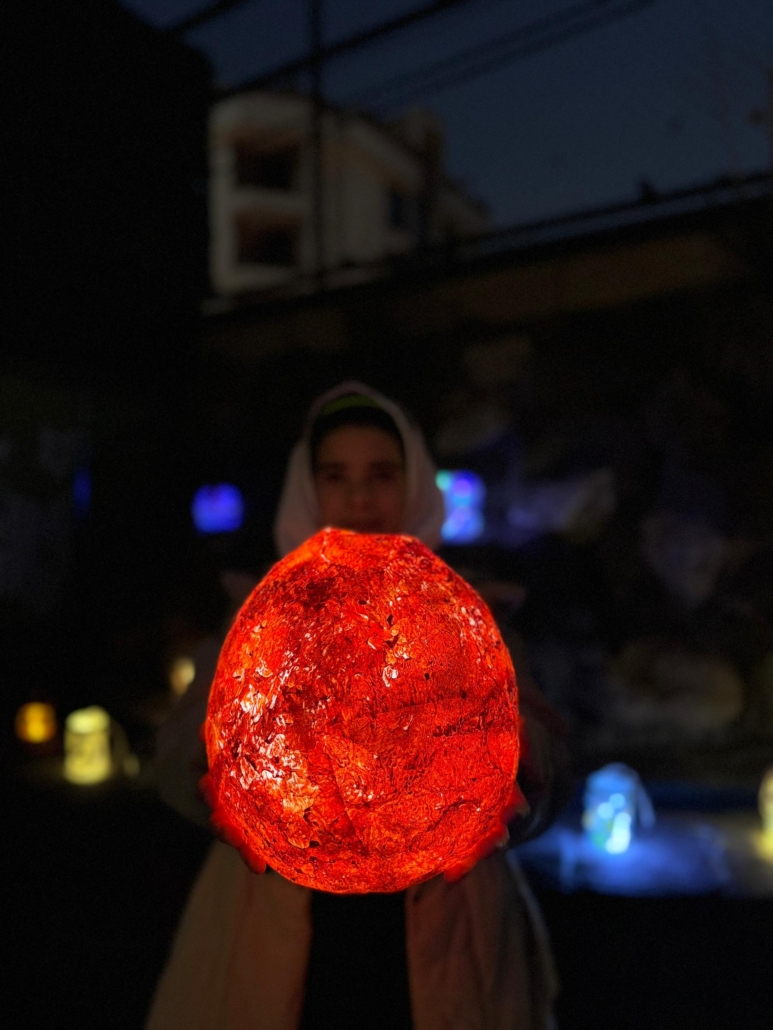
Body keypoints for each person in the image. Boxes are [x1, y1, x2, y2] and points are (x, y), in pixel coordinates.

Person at [147, 381, 570, 1030]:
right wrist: (219, 776)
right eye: (336, 476)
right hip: (278, 931)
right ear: (309, 488)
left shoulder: (464, 618)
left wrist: (511, 768)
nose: (360, 498)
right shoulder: (261, 622)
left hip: (446, 934)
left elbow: (552, 759)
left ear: (414, 483)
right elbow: (177, 752)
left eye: (381, 475)